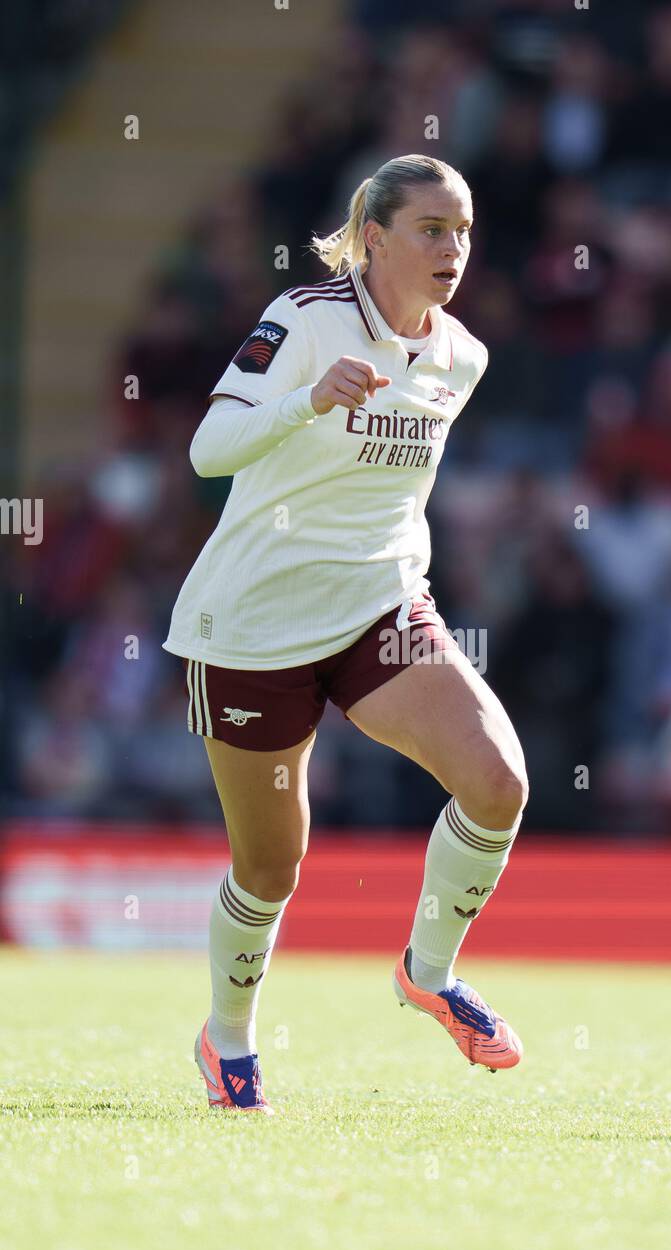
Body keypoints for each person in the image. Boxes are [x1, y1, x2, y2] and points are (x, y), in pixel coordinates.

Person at [162, 154, 529, 1113]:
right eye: (431, 229)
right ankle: (229, 1040)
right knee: (271, 865)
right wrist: (310, 399)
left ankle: (430, 971)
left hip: (380, 609)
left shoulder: (465, 356)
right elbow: (209, 451)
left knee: (498, 783)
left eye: (463, 231)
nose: (453, 249)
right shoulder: (305, 317)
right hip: (251, 626)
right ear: (374, 235)